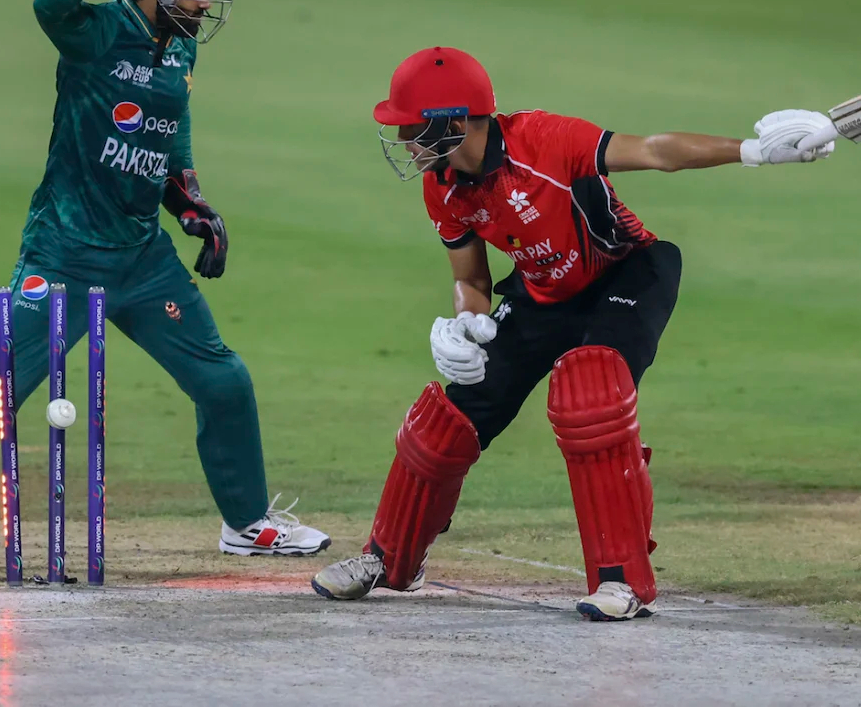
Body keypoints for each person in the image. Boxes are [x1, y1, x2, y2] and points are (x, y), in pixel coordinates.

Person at [0, 0, 329, 569]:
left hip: (142, 260)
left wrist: (193, 207)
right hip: (63, 251)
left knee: (224, 381)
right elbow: (46, 7)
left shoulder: (179, 52)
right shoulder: (94, 35)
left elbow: (169, 141)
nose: (207, 5)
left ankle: (248, 524)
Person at [311, 46, 833, 619]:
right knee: (447, 421)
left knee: (590, 394)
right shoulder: (443, 185)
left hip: (627, 273)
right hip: (541, 293)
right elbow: (473, 280)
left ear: (454, 122)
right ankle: (391, 560)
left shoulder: (544, 140)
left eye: (411, 127)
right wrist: (464, 323)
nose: (405, 140)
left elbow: (657, 152)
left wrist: (753, 150)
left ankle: (622, 582)